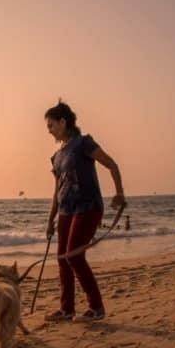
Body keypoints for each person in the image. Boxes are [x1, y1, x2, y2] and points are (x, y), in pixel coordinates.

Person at [43, 99, 125, 323]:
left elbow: (112, 164)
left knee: (74, 257)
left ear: (63, 122)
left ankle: (96, 308)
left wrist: (119, 193)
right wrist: (50, 220)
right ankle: (66, 309)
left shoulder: (83, 144)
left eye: (51, 125)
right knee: (63, 259)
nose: (49, 131)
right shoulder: (57, 156)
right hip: (66, 211)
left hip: (88, 207)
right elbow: (57, 191)